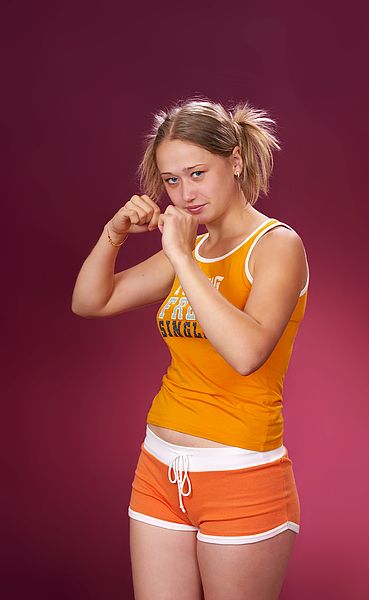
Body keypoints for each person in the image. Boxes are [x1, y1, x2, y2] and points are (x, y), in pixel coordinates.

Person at [72, 96, 309, 600]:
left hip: (240, 477)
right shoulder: (194, 251)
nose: (184, 194)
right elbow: (92, 301)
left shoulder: (276, 245)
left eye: (197, 173)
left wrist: (180, 255)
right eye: (171, 181)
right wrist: (113, 235)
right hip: (159, 469)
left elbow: (247, 353)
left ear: (236, 161)